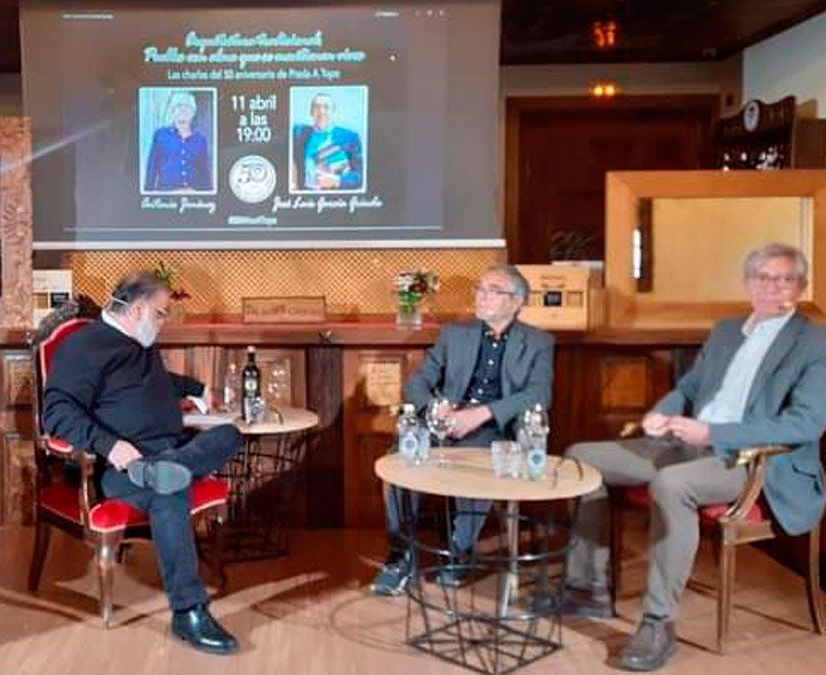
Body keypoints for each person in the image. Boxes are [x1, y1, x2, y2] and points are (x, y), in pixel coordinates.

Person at [555, 243, 826, 671]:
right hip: (688, 443)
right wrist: (662, 412)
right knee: (581, 458)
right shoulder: (727, 330)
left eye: (785, 279)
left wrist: (713, 431)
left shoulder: (813, 341)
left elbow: (806, 424)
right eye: (763, 278)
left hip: (755, 461)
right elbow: (690, 388)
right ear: (747, 283)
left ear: (801, 286)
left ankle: (658, 623)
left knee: (672, 484)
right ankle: (587, 587)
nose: (773, 287)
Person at [42, 270, 242, 655]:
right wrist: (111, 445)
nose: (165, 320)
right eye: (162, 312)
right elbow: (57, 412)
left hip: (167, 451)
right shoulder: (85, 346)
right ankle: (189, 611)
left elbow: (154, 383)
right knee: (168, 493)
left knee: (230, 435)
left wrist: (199, 390)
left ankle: (170, 466)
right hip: (122, 468)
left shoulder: (139, 343)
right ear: (136, 309)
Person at [372, 264, 555, 596]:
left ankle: (460, 550)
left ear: (516, 301)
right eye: (480, 289)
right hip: (444, 420)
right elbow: (419, 381)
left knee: (480, 462)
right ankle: (401, 555)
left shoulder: (539, 342)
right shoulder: (455, 334)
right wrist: (434, 406)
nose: (482, 297)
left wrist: (481, 414)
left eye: (492, 291)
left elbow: (538, 394)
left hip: (492, 428)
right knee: (399, 462)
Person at [292, 92, 364, 191]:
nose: (321, 111)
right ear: (311, 112)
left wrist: (338, 180)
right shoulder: (298, 133)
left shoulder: (349, 137)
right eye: (316, 107)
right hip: (305, 196)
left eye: (326, 107)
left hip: (335, 198)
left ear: (333, 111)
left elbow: (360, 175)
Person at [143, 91, 211, 192]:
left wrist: (207, 195)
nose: (183, 110)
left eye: (187, 107)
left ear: (193, 112)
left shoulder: (200, 139)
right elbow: (152, 168)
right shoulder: (160, 134)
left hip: (192, 195)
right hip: (166, 195)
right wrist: (147, 194)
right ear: (172, 111)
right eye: (179, 106)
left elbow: (204, 171)